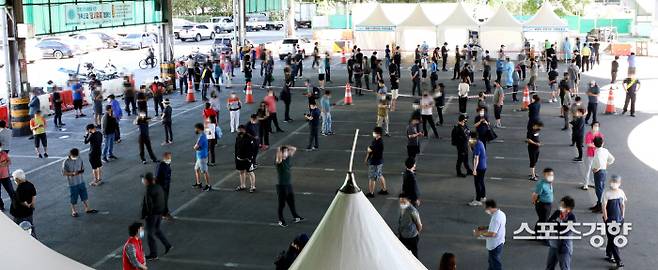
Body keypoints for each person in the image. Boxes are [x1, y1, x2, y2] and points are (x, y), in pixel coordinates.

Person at [140, 173, 172, 260]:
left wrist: (144, 216)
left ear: (147, 180)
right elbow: (163, 199)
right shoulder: (158, 187)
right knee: (157, 230)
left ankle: (153, 254)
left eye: (143, 179)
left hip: (152, 215)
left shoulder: (148, 190)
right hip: (159, 213)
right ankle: (167, 245)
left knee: (150, 235)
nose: (142, 180)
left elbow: (147, 205)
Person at [62, 148, 99, 217]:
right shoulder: (66, 162)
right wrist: (72, 173)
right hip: (73, 183)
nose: (76, 157)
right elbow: (64, 173)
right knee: (74, 197)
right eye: (75, 156)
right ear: (71, 155)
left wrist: (80, 171)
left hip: (81, 181)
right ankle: (74, 211)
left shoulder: (79, 159)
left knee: (84, 195)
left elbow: (82, 168)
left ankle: (87, 208)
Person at [275, 145, 304, 227]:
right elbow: (278, 158)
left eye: (287, 152)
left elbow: (294, 148)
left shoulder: (287, 159)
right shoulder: (279, 161)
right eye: (285, 152)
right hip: (281, 186)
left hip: (288, 185)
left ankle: (296, 216)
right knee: (282, 204)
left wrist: (285, 147)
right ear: (281, 153)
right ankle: (281, 220)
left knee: (291, 202)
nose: (287, 153)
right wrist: (279, 150)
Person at [545, 196, 577, 270]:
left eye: (562, 205)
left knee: (564, 268)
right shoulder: (557, 213)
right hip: (553, 245)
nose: (560, 207)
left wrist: (555, 224)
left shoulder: (572, 218)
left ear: (568, 209)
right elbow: (548, 223)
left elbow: (564, 231)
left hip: (564, 247)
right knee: (549, 267)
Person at [473, 199, 506, 270]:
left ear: (490, 207)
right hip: (499, 241)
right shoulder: (501, 214)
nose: (485, 210)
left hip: (495, 244)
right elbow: (497, 227)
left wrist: (479, 233)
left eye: (486, 208)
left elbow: (492, 234)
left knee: (495, 263)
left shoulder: (495, 218)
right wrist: (485, 227)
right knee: (492, 262)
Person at [601, 175, 626, 268]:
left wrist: (623, 217)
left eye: (616, 182)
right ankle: (618, 260)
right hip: (610, 220)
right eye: (613, 181)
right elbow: (604, 206)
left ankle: (609, 254)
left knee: (611, 238)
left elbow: (623, 205)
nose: (614, 183)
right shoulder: (607, 193)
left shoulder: (621, 192)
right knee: (614, 239)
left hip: (619, 219)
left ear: (619, 183)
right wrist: (606, 218)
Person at [590, 136, 615, 213]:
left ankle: (601, 205)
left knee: (599, 189)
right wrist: (606, 164)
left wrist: (597, 168)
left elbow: (599, 163)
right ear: (603, 143)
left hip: (599, 172)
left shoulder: (597, 152)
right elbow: (612, 159)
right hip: (603, 172)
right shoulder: (605, 150)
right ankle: (599, 204)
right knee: (600, 188)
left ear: (594, 144)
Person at [10, 169, 37, 237]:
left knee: (21, 231)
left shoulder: (19, 189)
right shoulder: (30, 184)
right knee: (31, 227)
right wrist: (32, 205)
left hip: (20, 215)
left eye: (14, 180)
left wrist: (27, 205)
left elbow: (21, 201)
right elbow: (34, 195)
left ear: (17, 179)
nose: (14, 181)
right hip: (29, 213)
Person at [531, 168, 554, 239]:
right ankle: (544, 237)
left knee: (542, 219)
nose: (551, 176)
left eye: (552, 175)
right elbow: (535, 194)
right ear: (544, 175)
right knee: (544, 220)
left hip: (548, 204)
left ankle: (536, 235)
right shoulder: (541, 184)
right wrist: (535, 202)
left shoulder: (550, 182)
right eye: (549, 175)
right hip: (542, 205)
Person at [365, 127, 388, 198]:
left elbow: (371, 150)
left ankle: (371, 193)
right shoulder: (375, 140)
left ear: (378, 134)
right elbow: (370, 149)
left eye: (374, 132)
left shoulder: (379, 143)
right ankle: (384, 189)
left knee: (372, 177)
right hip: (379, 161)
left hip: (375, 162)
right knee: (380, 174)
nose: (373, 133)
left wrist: (368, 152)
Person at [398, 193, 423, 258]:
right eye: (400, 201)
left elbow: (419, 225)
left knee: (414, 256)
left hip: (412, 238)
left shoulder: (413, 211)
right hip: (403, 236)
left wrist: (416, 234)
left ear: (409, 200)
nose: (401, 203)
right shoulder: (403, 208)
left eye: (403, 201)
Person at [235, 125, 257, 192]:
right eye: (238, 130)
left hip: (247, 159)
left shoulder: (250, 138)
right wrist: (236, 157)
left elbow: (254, 149)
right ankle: (242, 185)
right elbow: (236, 148)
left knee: (250, 172)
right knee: (241, 172)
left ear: (244, 130)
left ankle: (253, 186)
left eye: (240, 130)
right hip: (239, 158)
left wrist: (252, 159)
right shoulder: (238, 137)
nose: (239, 131)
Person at [582, 122, 604, 190]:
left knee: (596, 170)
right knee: (588, 169)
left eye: (597, 126)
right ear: (592, 126)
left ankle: (592, 182)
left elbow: (602, 144)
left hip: (597, 155)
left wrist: (593, 144)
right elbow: (588, 144)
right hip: (591, 154)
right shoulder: (588, 134)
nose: (596, 127)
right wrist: (597, 145)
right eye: (595, 125)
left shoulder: (600, 134)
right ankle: (586, 184)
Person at [468, 131, 487, 206]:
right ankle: (483, 196)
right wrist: (470, 145)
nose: (469, 138)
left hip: (479, 167)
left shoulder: (477, 145)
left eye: (470, 137)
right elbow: (473, 152)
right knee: (481, 182)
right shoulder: (479, 142)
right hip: (483, 166)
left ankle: (478, 200)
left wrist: (474, 169)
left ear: (473, 138)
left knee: (477, 183)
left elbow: (476, 158)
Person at [192, 123, 211, 191]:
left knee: (204, 171)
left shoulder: (201, 137)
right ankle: (198, 183)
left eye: (196, 128)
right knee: (196, 169)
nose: (195, 130)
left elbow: (196, 147)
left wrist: (195, 147)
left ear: (199, 129)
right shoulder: (202, 135)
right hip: (200, 156)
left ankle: (208, 185)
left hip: (202, 157)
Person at [155, 152, 173, 220]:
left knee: (165, 199)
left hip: (166, 185)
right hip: (161, 186)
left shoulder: (167, 164)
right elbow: (157, 176)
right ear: (165, 158)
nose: (170, 158)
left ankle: (165, 212)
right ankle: (164, 214)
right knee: (164, 200)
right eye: (169, 157)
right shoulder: (161, 165)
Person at [0, 143, 12, 212]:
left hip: (5, 176)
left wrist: (3, 164)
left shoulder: (3, 153)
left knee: (11, 191)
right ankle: (1, 206)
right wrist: (3, 163)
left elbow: (9, 162)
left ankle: (15, 204)